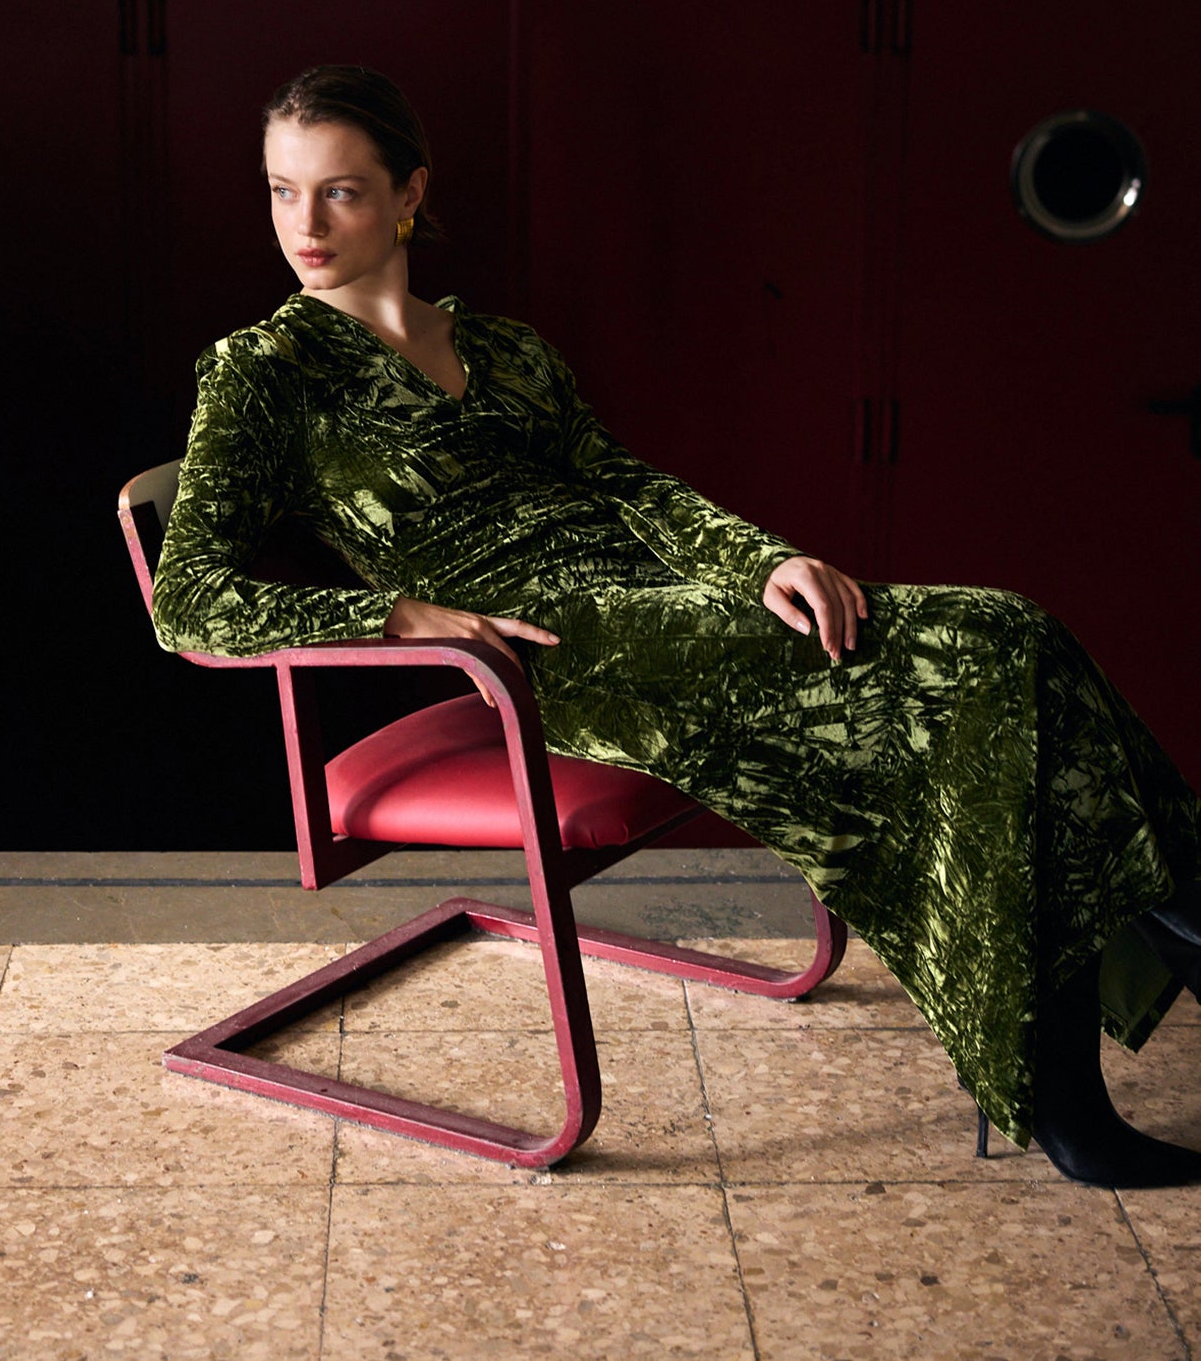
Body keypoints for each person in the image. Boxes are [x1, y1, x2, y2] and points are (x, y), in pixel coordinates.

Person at [153, 64, 1201, 1189]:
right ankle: (1156, 939)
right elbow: (188, 597)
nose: (302, 225)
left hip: (665, 608)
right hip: (553, 654)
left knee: (1003, 657)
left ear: (409, 194)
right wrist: (397, 613)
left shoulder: (503, 346)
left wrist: (764, 561)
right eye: (280, 190)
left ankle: (1073, 1070)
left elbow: (626, 487)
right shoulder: (262, 371)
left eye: (340, 192)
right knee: (993, 644)